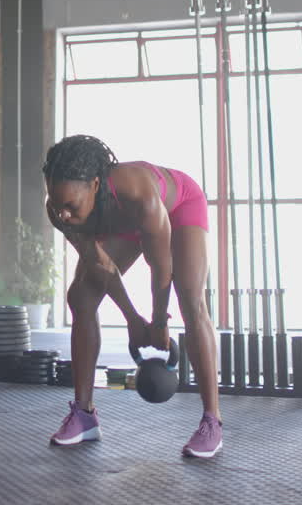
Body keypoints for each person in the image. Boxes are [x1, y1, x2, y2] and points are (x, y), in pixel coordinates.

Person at [42, 134, 221, 458]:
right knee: (81, 297)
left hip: (178, 207)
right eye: (58, 205)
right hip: (124, 222)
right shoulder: (58, 211)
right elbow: (101, 265)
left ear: (95, 185)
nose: (63, 215)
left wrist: (159, 322)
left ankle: (212, 421)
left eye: (71, 206)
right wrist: (133, 321)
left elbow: (161, 265)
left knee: (190, 299)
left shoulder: (138, 193)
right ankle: (84, 414)